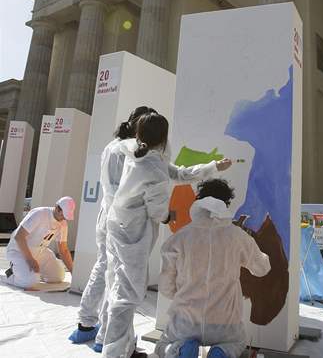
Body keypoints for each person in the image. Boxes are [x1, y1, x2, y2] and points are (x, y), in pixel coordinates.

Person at [102, 112, 232, 358]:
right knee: (127, 294)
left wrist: (214, 167)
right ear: (163, 138)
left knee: (120, 287)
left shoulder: (135, 152)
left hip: (117, 225)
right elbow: (157, 208)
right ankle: (114, 352)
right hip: (132, 232)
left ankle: (122, 348)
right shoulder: (154, 168)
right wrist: (166, 216)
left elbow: (180, 173)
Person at [155, 179, 271, 358]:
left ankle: (182, 349)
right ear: (226, 204)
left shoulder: (180, 237)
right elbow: (262, 268)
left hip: (186, 319)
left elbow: (165, 286)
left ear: (198, 201)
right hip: (225, 321)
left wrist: (182, 295)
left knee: (163, 345)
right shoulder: (237, 236)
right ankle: (221, 352)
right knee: (236, 343)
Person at [69, 106, 151, 347]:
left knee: (104, 266)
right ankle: (106, 336)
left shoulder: (112, 145)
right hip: (122, 217)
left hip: (107, 214)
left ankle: (86, 323)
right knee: (118, 276)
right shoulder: (129, 150)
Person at [2, 196, 76, 289]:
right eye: (62, 215)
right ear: (57, 208)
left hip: (40, 252)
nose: (63, 219)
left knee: (57, 277)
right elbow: (19, 237)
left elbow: (63, 250)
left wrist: (74, 273)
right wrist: (30, 260)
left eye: (66, 217)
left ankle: (32, 274)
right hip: (19, 251)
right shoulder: (40, 214)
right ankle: (9, 275)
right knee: (29, 283)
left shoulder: (63, 223)